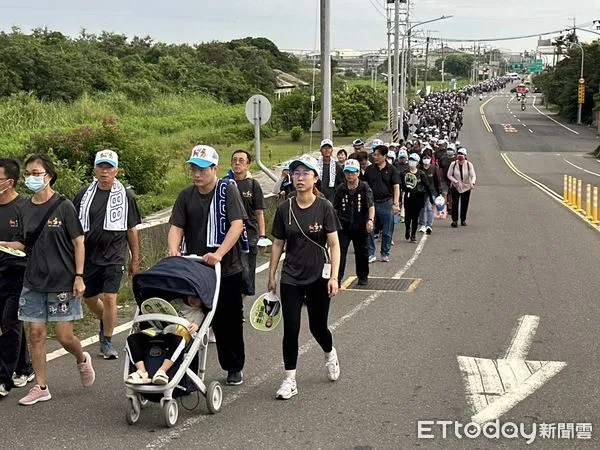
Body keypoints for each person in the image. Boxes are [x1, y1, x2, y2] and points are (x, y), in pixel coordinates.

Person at [12, 154, 95, 405]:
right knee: (36, 332)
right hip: (33, 281)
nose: (31, 178)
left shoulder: (64, 206)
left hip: (63, 281)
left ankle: (82, 358)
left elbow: (78, 242)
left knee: (64, 336)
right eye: (27, 173)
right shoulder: (24, 207)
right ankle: (41, 386)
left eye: (36, 173)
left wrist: (79, 276)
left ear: (48, 175)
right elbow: (22, 242)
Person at [168, 145, 247, 386]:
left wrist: (219, 253)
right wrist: (173, 250)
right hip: (196, 269)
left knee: (227, 322)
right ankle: (185, 372)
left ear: (214, 169)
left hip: (226, 269)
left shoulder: (227, 191)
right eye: (193, 168)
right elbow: (176, 226)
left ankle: (233, 366)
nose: (197, 174)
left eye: (202, 169)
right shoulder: (186, 196)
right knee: (189, 321)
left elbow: (237, 225)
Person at [268, 154, 341, 400]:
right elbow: (278, 243)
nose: (300, 178)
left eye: (305, 173)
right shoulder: (283, 208)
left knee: (317, 327)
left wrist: (334, 278)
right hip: (291, 277)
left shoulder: (324, 207)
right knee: (291, 329)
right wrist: (272, 274)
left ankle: (329, 352)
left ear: (315, 178)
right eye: (296, 173)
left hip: (318, 277)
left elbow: (334, 244)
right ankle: (290, 379)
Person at [74, 150, 142, 360]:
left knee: (110, 297)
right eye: (101, 167)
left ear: (117, 171)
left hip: (114, 255)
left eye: (109, 167)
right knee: (89, 298)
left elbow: (132, 230)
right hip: (88, 254)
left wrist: (135, 259)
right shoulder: (84, 194)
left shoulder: (126, 196)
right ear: (95, 169)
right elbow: (74, 227)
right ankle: (107, 321)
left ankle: (107, 341)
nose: (105, 171)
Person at [0, 159, 34, 397]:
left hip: (18, 274)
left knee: (10, 324)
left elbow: (27, 244)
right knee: (9, 323)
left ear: (9, 182)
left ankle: (3, 379)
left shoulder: (24, 208)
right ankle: (25, 366)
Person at [126, 296, 206, 385]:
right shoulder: (177, 302)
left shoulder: (199, 313)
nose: (194, 300)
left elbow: (197, 327)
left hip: (177, 337)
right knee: (132, 338)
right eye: (192, 296)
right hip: (161, 333)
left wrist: (195, 326)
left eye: (198, 298)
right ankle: (142, 371)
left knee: (178, 340)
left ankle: (161, 372)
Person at [229, 150, 266, 297]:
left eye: (241, 160)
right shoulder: (226, 183)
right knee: (232, 272)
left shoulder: (253, 185)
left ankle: (242, 301)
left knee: (247, 272)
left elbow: (259, 212)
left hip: (249, 234)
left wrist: (262, 236)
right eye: (234, 160)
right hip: (230, 235)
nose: (237, 163)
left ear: (248, 165)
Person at [333, 159, 374, 287]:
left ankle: (362, 276)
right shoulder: (341, 188)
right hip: (343, 225)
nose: (350, 175)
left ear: (357, 173)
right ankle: (337, 278)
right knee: (341, 251)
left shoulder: (364, 187)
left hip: (360, 224)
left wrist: (370, 220)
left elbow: (370, 206)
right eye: (347, 172)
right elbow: (335, 208)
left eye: (352, 172)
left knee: (362, 251)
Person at [363, 144, 400, 263]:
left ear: (384, 156)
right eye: (374, 155)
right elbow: (364, 186)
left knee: (387, 230)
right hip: (372, 203)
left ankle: (385, 253)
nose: (375, 157)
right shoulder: (370, 169)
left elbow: (396, 187)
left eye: (378, 155)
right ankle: (371, 253)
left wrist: (396, 203)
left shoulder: (392, 169)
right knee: (370, 228)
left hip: (387, 203)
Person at [401, 153, 434, 243]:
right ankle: (408, 229)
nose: (412, 162)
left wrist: (431, 198)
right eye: (410, 159)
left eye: (414, 160)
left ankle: (413, 235)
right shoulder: (404, 173)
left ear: (417, 162)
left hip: (418, 197)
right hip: (408, 196)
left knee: (415, 217)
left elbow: (427, 186)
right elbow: (400, 185)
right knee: (407, 216)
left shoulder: (421, 173)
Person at [447, 148, 476, 228]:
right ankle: (454, 220)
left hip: (466, 187)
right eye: (459, 154)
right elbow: (449, 175)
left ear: (465, 156)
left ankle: (463, 220)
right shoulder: (453, 164)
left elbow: (473, 175)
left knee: (464, 204)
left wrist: (472, 182)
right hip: (455, 186)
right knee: (455, 203)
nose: (460, 156)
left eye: (462, 154)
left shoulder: (469, 164)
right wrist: (455, 181)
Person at [418, 153, 441, 235]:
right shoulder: (419, 168)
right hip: (421, 191)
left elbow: (437, 180)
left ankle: (429, 225)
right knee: (422, 207)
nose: (426, 159)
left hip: (432, 191)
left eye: (428, 158)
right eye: (424, 158)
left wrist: (439, 192)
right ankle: (422, 224)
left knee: (429, 207)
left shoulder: (434, 168)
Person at [316, 139, 343, 204]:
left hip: (332, 196)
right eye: (324, 148)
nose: (327, 150)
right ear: (320, 150)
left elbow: (341, 183)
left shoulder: (337, 166)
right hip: (318, 194)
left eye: (329, 148)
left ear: (332, 150)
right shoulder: (315, 164)